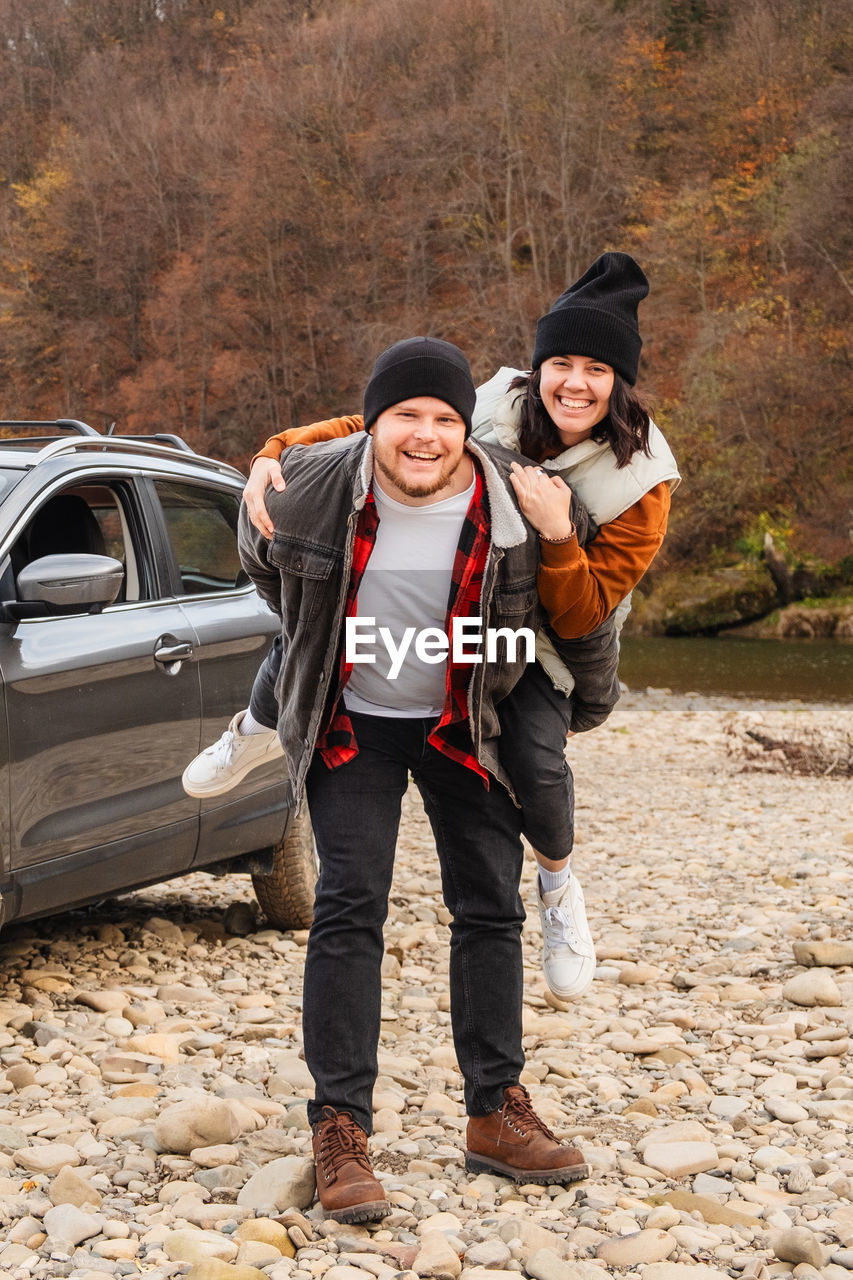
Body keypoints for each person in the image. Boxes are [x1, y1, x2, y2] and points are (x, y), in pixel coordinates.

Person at [184, 252, 680, 1001]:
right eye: (562, 363)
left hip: (544, 620)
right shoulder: (496, 400)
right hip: (448, 582)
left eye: (597, 370)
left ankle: (557, 887)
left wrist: (555, 536)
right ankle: (257, 727)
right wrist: (275, 452)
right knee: (322, 614)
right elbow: (383, 423)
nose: (575, 382)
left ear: (619, 383)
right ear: (539, 367)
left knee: (537, 762)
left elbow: (586, 614)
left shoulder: (641, 482)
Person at [237, 337, 607, 1222]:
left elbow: (581, 613)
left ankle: (494, 1115)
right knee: (348, 906)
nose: (426, 435)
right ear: (373, 422)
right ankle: (339, 1130)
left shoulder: (517, 498)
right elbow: (269, 580)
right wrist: (261, 462)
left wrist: (583, 708)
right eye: (406, 415)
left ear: (464, 429)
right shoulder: (313, 485)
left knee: (489, 906)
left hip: (461, 722)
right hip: (355, 723)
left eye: (444, 418)